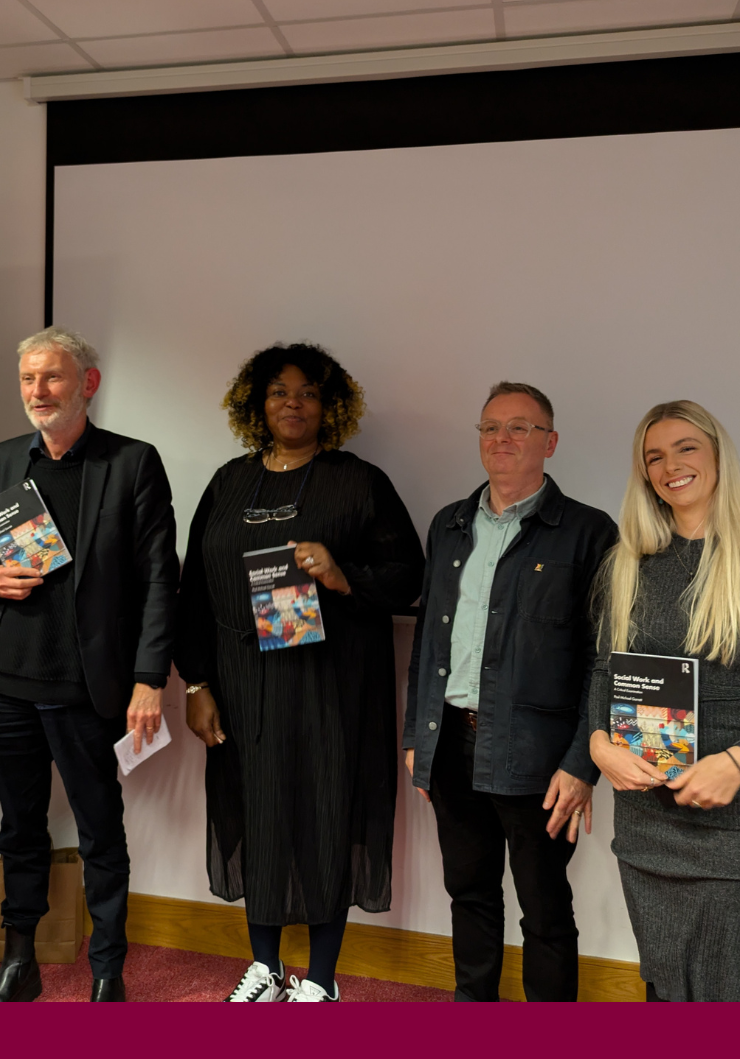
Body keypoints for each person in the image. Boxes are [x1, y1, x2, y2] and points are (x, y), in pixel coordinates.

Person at [176, 343, 424, 1002]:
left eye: (309, 392)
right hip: (240, 685)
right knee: (255, 814)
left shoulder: (359, 482)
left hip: (331, 686)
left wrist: (344, 577)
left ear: (330, 405)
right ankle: (264, 967)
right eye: (281, 391)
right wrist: (196, 683)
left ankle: (320, 979)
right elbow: (192, 591)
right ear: (257, 403)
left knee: (324, 815)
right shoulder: (228, 483)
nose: (294, 402)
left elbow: (409, 577)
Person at [588, 400, 740, 1002]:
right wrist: (597, 742)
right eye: (654, 456)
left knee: (719, 995)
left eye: (686, 448)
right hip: (646, 817)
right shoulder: (625, 564)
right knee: (664, 988)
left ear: (717, 456)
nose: (671, 465)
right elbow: (602, 673)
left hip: (734, 820)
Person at [0, 327, 178, 1004]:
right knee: (19, 827)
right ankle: (20, 961)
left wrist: (150, 679)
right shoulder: (6, 459)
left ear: (87, 384)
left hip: (87, 687)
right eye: (28, 379)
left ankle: (107, 971)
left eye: (52, 378)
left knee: (100, 831)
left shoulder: (131, 463)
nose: (37, 392)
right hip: (8, 684)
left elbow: (157, 581)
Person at [405, 381, 617, 1002]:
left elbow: (601, 662)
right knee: (468, 894)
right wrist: (419, 735)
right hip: (451, 748)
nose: (503, 439)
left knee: (545, 912)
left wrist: (582, 764)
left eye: (520, 428)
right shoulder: (448, 524)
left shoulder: (588, 533)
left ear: (550, 442)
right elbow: (427, 644)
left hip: (539, 760)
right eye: (491, 427)